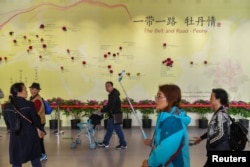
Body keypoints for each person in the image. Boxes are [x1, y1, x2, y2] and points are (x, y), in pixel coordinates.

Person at [142, 84, 191, 167]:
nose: (156, 100)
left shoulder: (173, 120)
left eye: (159, 96)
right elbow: (166, 139)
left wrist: (150, 163)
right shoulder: (166, 116)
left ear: (170, 99)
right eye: (156, 96)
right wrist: (152, 141)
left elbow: (166, 148)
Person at [3, 82, 46, 167]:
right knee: (35, 160)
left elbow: (7, 121)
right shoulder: (29, 104)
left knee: (16, 161)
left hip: (15, 136)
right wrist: (41, 130)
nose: (27, 91)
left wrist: (11, 128)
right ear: (19, 92)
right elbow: (36, 120)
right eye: (25, 90)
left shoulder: (7, 106)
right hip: (30, 136)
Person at [193, 88, 231, 167]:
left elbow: (222, 135)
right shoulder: (219, 113)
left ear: (218, 99)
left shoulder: (220, 114)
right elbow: (213, 130)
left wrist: (210, 143)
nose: (209, 99)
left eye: (211, 97)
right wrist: (202, 138)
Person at [97, 81, 127, 149]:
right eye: (106, 86)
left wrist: (102, 110)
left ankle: (107, 143)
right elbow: (110, 105)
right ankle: (121, 143)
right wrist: (104, 107)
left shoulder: (114, 94)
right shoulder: (113, 94)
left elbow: (110, 106)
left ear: (111, 86)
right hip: (116, 114)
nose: (106, 88)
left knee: (114, 130)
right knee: (112, 129)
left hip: (114, 115)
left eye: (108, 86)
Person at [29, 82, 47, 161]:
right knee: (37, 138)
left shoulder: (37, 100)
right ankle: (39, 153)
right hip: (37, 121)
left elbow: (34, 112)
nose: (34, 91)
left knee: (39, 139)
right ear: (30, 89)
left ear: (38, 91)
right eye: (33, 89)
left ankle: (43, 154)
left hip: (38, 122)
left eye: (36, 89)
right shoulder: (32, 98)